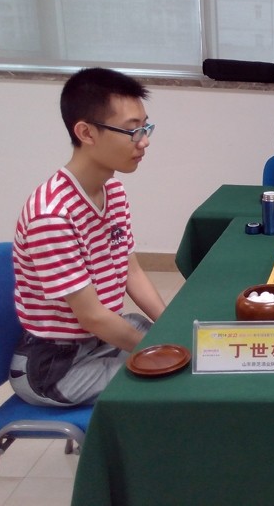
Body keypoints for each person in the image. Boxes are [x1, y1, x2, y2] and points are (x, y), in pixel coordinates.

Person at [10, 67, 166, 407]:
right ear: (86, 132)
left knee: (170, 338)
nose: (144, 141)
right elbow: (92, 316)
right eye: (132, 131)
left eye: (145, 127)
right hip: (55, 367)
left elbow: (132, 271)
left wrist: (170, 327)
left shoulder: (114, 191)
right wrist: (160, 352)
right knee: (168, 374)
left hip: (97, 340)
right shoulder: (51, 215)